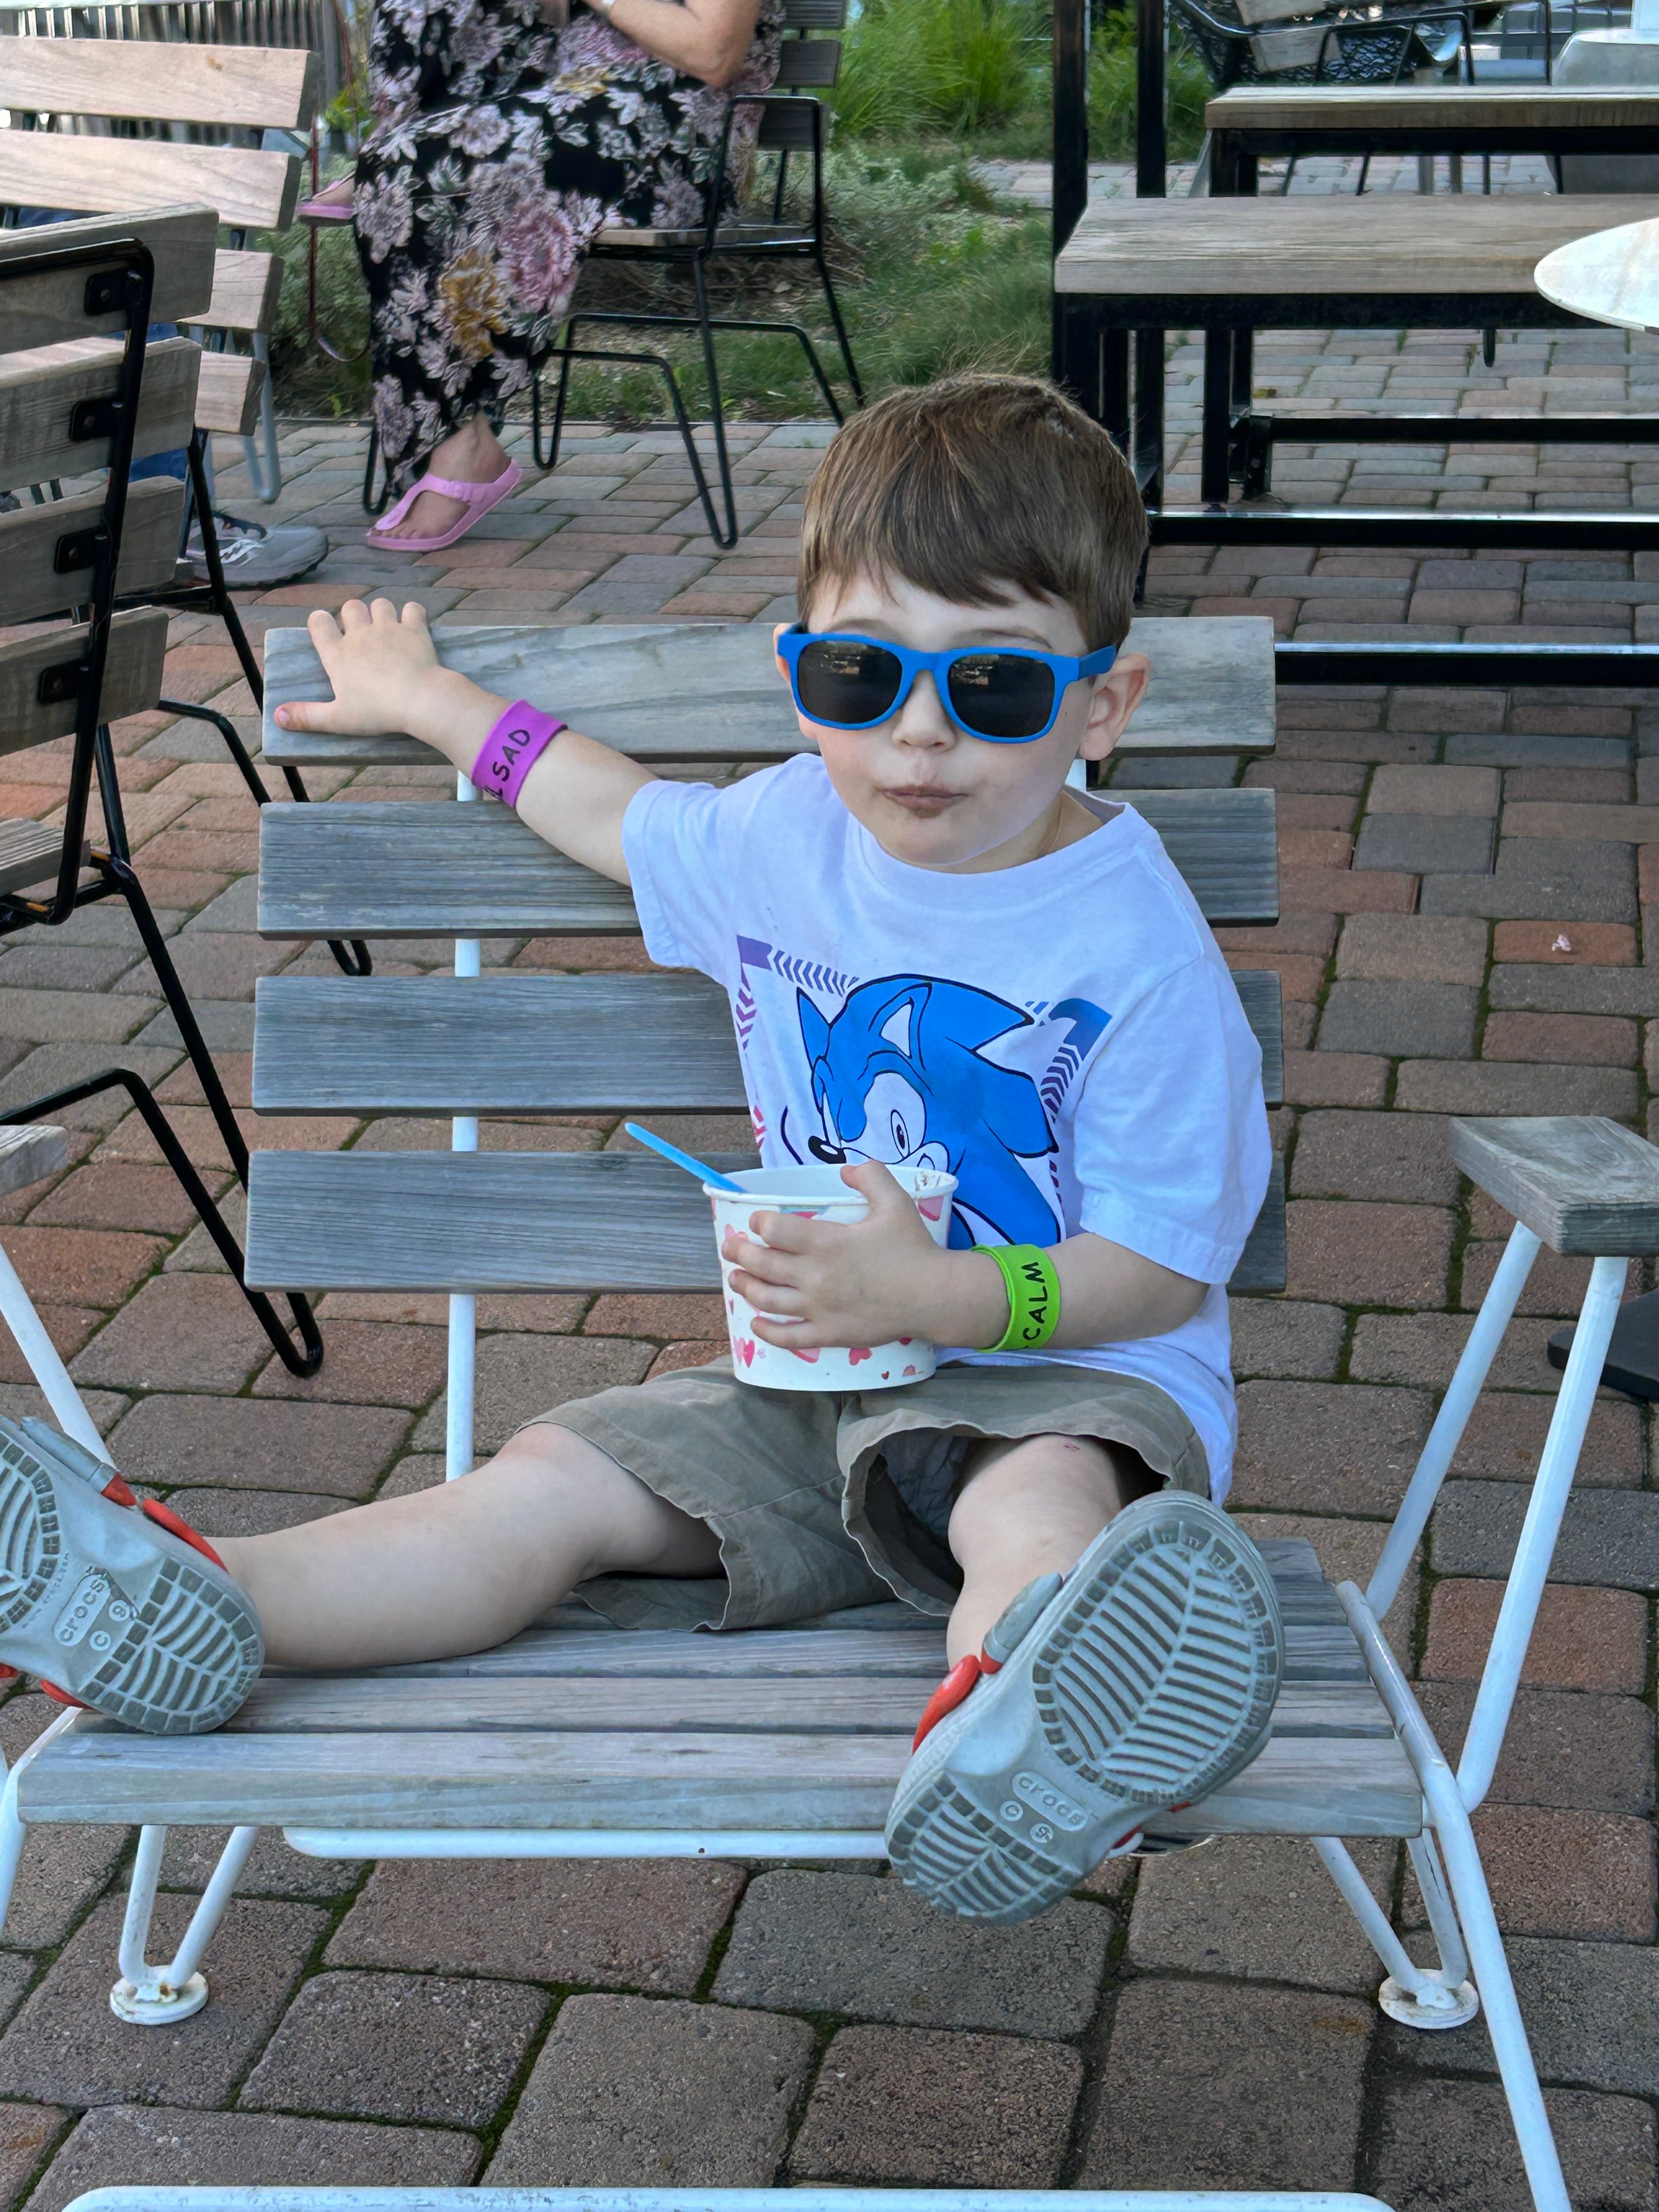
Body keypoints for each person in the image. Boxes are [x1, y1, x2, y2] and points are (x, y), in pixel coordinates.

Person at [0, 374, 1282, 1926]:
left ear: (1104, 703)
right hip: (805, 1388)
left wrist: (943, 1302)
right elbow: (602, 807)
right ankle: (188, 1600)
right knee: (551, 1486)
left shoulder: (1133, 944)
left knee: (1035, 1503)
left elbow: (1160, 1270)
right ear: (797, 672)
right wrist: (432, 705)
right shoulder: (780, 835)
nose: (922, 735)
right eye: (863, 673)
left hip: (1056, 1378)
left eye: (997, 690)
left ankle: (1034, 1718)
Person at [340, 0, 782, 553]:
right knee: (399, 162)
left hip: (678, 133)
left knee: (408, 166)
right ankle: (459, 436)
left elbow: (714, 54)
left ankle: (459, 445)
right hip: (568, 104)